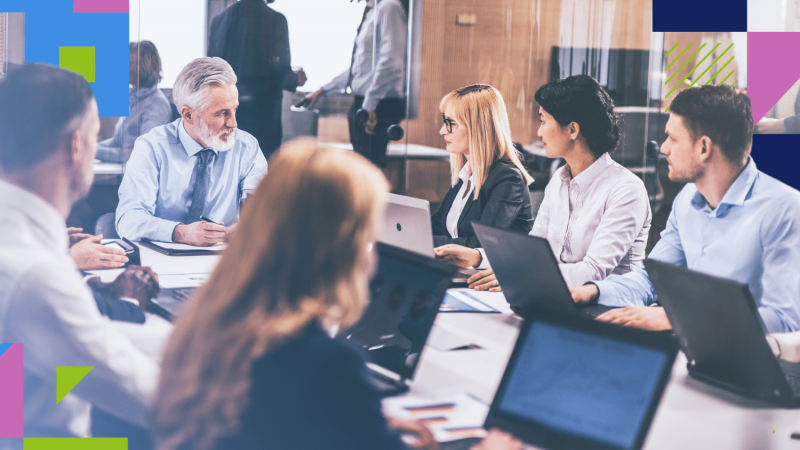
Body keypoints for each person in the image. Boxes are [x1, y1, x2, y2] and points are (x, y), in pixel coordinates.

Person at [151, 141, 520, 450]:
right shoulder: (324, 365)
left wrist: (360, 422)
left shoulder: (213, 321)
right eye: (366, 235)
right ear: (338, 245)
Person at [0, 63, 167, 437]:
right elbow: (160, 401)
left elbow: (72, 340)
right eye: (95, 137)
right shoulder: (34, 275)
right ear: (76, 146)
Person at [570, 85, 800, 333]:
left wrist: (680, 319)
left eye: (673, 138)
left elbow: (784, 322)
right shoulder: (688, 199)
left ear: (704, 148)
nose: (664, 148)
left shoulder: (784, 209)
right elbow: (652, 281)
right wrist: (593, 290)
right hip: (688, 349)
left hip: (746, 364)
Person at [445, 76, 652, 291]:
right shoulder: (559, 181)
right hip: (554, 296)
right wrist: (478, 257)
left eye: (543, 121)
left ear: (572, 130)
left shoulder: (626, 190)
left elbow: (594, 271)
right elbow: (532, 253)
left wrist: (519, 275)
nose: (539, 132)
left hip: (608, 309)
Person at [115, 57, 268, 245]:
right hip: (163, 260)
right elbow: (128, 220)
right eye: (222, 113)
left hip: (225, 261)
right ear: (188, 114)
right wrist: (180, 233)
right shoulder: (152, 147)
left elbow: (265, 208)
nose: (233, 124)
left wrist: (251, 225)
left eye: (234, 110)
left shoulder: (246, 147)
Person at [426, 84, 533, 266]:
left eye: (451, 123)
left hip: (491, 278)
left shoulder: (507, 179)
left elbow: (479, 246)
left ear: (477, 127)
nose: (443, 131)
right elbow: (435, 227)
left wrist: (422, 243)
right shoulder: (465, 175)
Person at [301, 0, 408, 168]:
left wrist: (370, 104)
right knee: (361, 167)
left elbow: (391, 60)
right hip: (365, 102)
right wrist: (323, 90)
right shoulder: (372, 11)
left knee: (368, 169)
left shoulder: (389, 6)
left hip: (378, 105)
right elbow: (361, 67)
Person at [208, 0, 307, 160]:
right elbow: (280, 74)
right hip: (263, 125)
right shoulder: (275, 19)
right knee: (260, 182)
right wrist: (297, 78)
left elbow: (211, 73)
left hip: (225, 123)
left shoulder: (219, 20)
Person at [95, 41, 172, 163]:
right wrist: (89, 148)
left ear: (146, 66)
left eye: (130, 63)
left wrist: (93, 152)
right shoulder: (136, 100)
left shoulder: (156, 104)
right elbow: (117, 142)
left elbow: (140, 154)